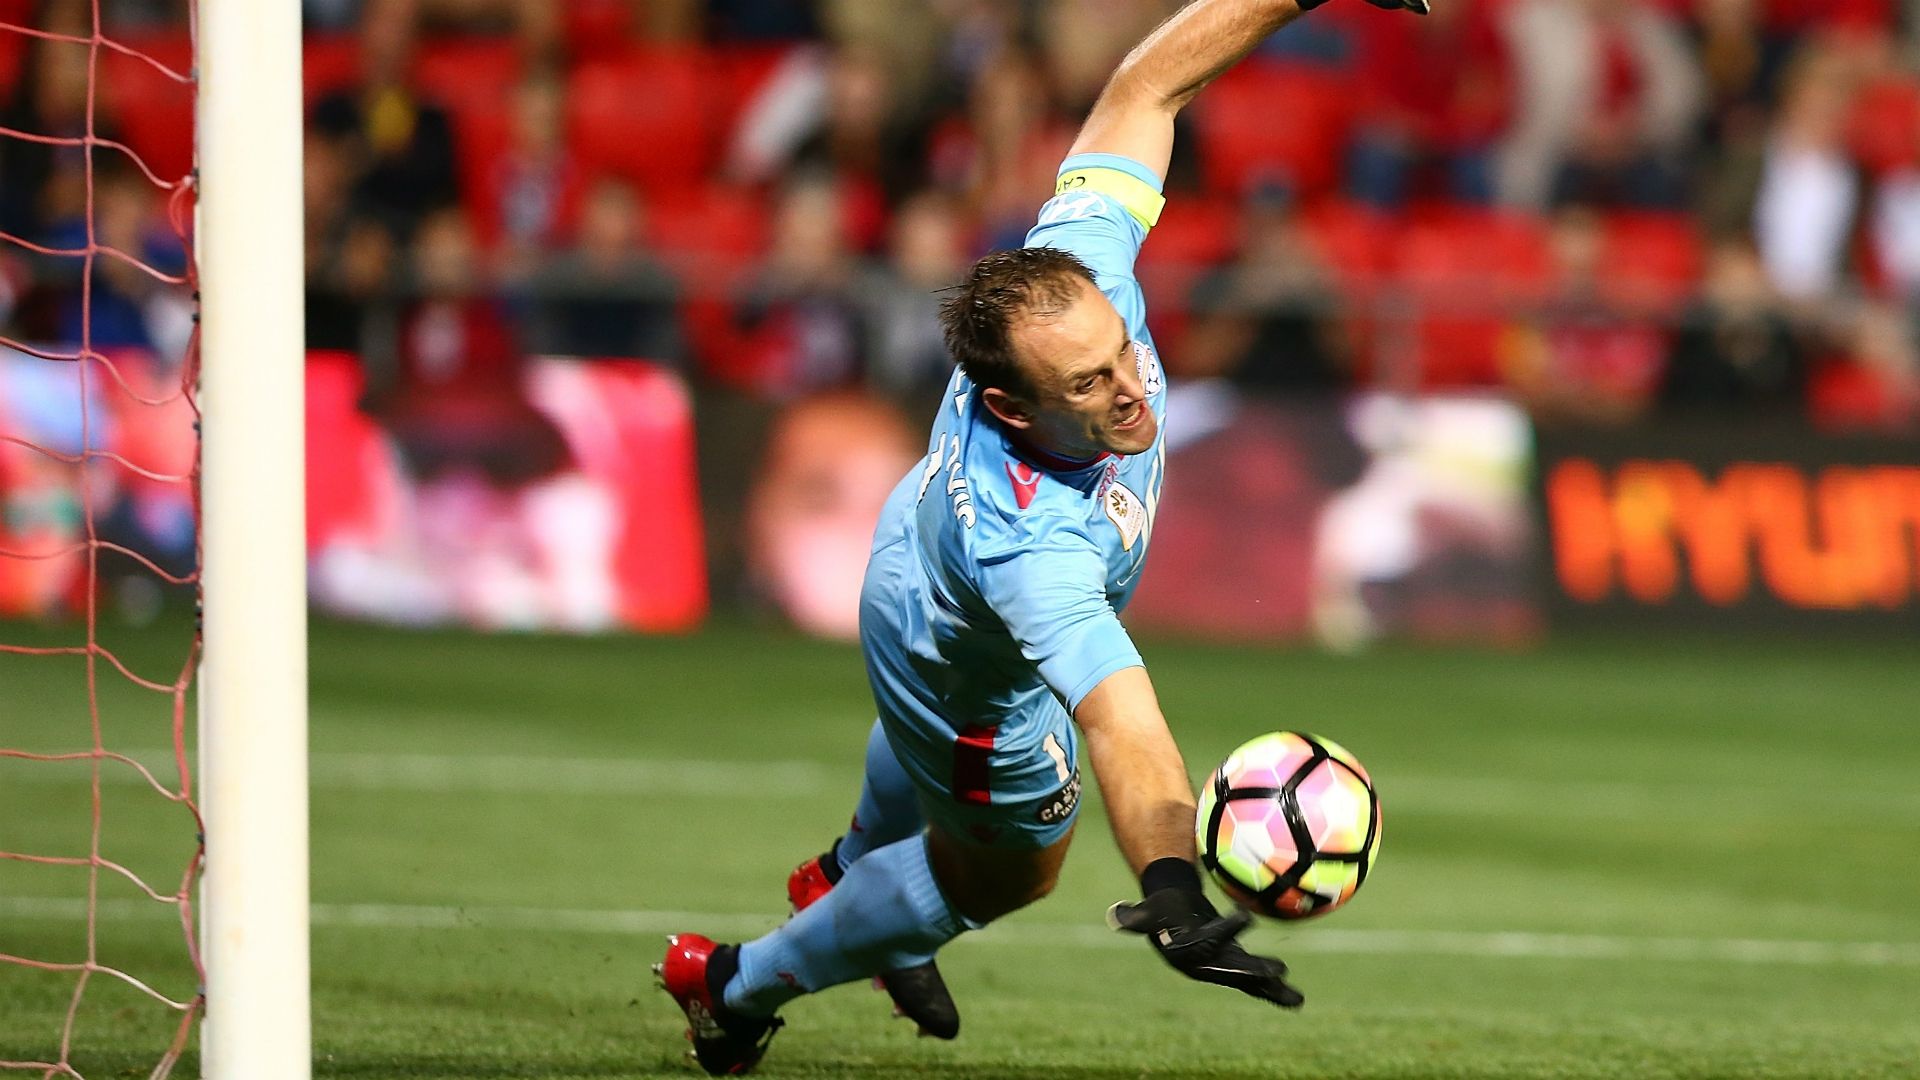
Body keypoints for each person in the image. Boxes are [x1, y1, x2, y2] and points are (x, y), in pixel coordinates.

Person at [657, 0, 1428, 1073]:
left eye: (1120, 353)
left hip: (910, 541)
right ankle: (731, 987)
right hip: (960, 667)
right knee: (1009, 871)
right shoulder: (1036, 548)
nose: (1130, 391)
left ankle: (847, 876)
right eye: (1086, 385)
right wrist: (1171, 886)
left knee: (923, 787)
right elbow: (1121, 720)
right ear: (1015, 410)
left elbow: (1146, 88)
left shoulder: (1075, 266)